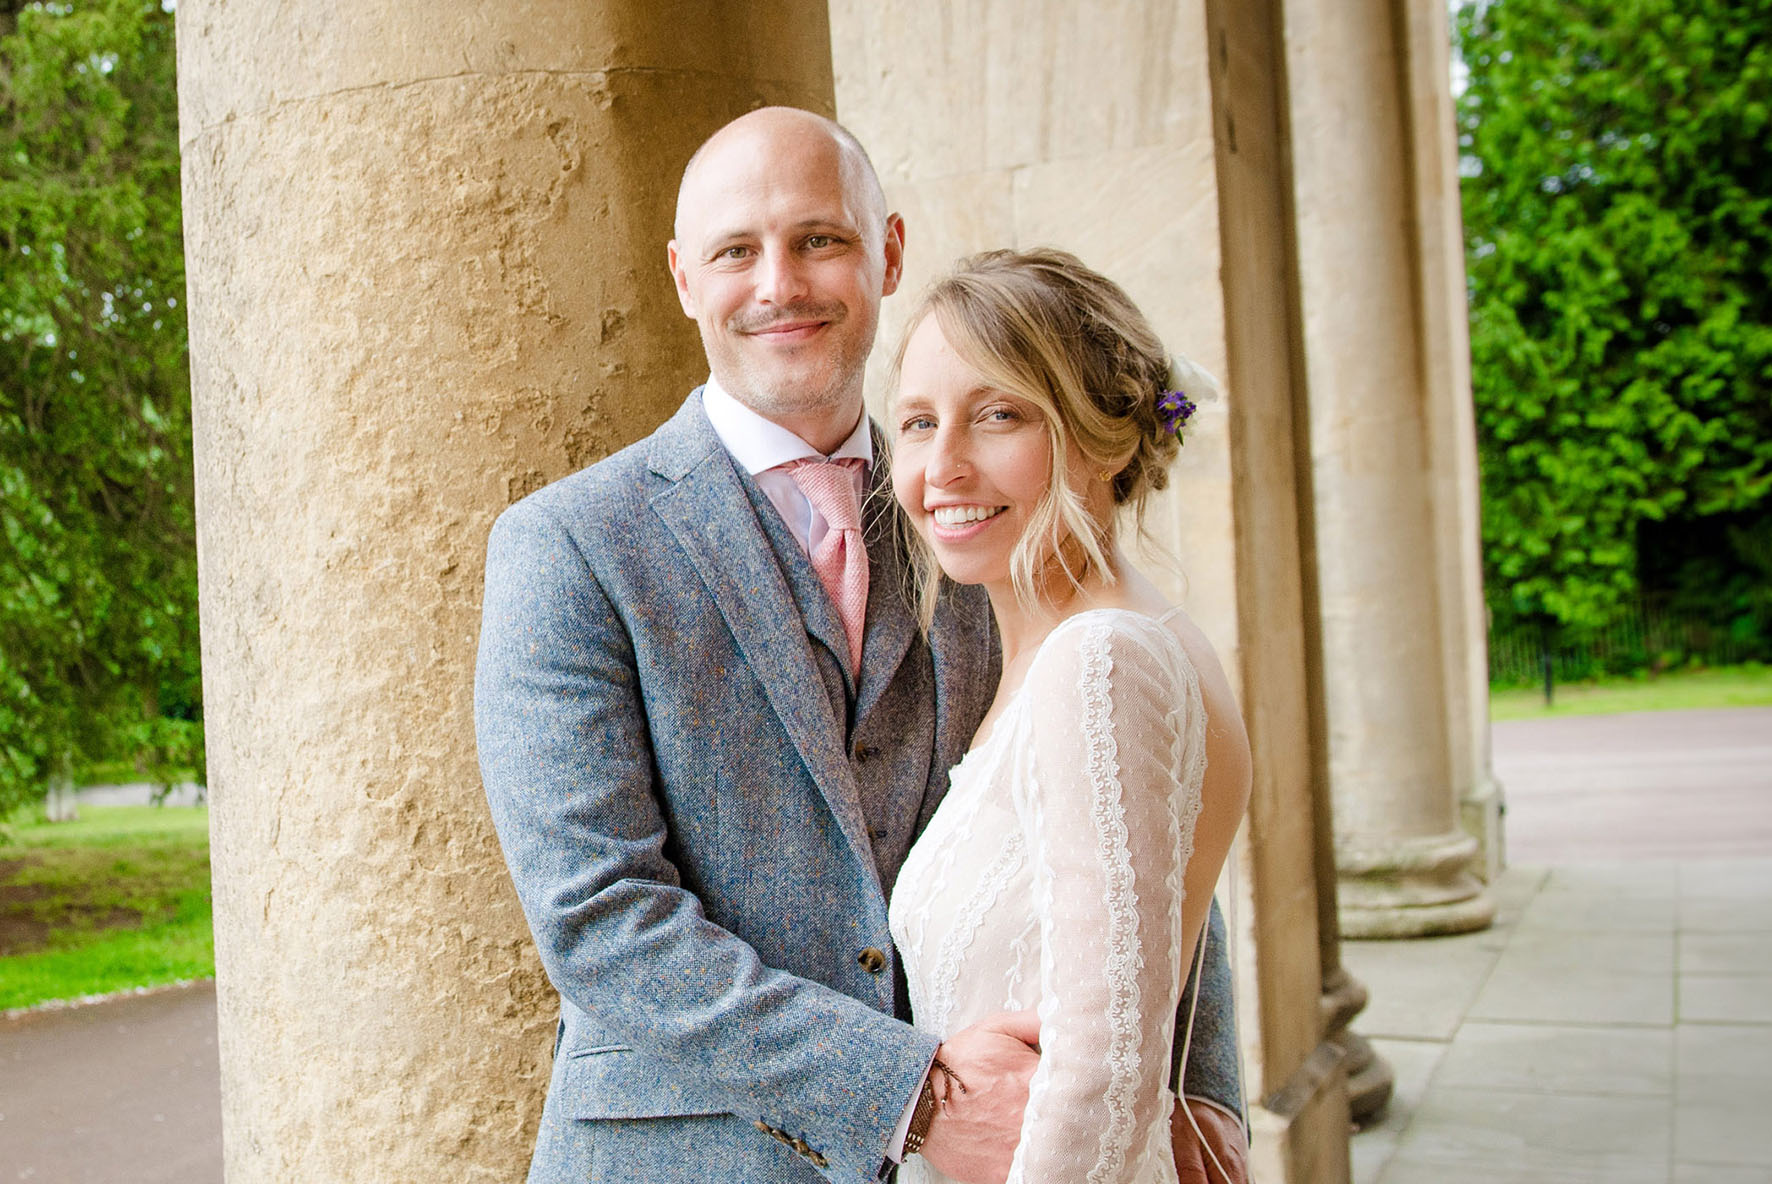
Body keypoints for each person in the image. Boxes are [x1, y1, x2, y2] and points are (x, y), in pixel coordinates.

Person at [475, 107, 1245, 1184]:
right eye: (735, 249)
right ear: (683, 277)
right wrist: (909, 1093)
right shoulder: (568, 545)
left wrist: (1202, 1091)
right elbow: (599, 915)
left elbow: (1132, 826)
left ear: (885, 253)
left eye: (818, 239)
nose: (778, 283)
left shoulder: (978, 516)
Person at [886, 248, 1254, 1184]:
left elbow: (1102, 1075)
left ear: (1110, 439)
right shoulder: (1095, 647)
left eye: (998, 414)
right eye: (919, 423)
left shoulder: (1099, 661)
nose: (943, 467)